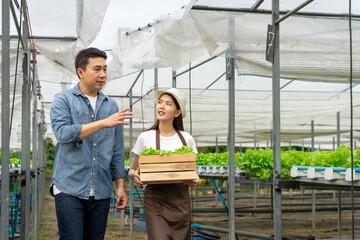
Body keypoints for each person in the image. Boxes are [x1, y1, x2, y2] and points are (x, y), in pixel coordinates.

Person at [50, 47, 133, 240]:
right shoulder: (64, 100)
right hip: (70, 187)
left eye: (105, 69)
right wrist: (103, 122)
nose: (103, 75)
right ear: (80, 72)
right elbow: (62, 133)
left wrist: (120, 186)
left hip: (102, 190)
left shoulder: (111, 105)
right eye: (97, 69)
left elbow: (117, 149)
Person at [128, 88, 200, 240]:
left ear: (177, 112)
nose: (161, 106)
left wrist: (196, 180)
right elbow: (132, 170)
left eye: (168, 104)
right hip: (155, 201)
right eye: (160, 102)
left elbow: (193, 171)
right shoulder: (145, 137)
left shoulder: (186, 139)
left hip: (180, 200)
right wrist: (135, 176)